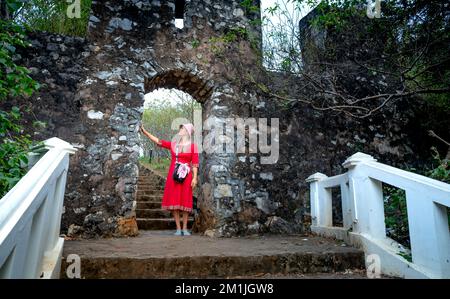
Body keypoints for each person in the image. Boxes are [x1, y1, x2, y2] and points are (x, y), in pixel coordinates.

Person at [140, 123, 199, 236]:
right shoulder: (174, 144)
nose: (180, 130)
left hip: (187, 176)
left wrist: (195, 178)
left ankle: (185, 228)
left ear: (188, 132)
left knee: (185, 201)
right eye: (180, 128)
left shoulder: (193, 146)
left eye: (183, 128)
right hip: (174, 176)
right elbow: (159, 141)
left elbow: (195, 164)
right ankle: (178, 228)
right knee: (175, 201)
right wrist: (145, 132)